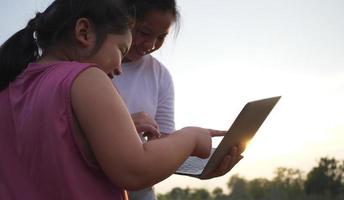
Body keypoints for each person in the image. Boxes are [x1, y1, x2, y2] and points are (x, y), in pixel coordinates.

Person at [0, 0, 228, 199]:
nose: (119, 68)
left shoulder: (8, 87)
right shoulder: (86, 77)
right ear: (84, 32)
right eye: (121, 49)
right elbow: (134, 170)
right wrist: (190, 138)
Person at [112, 0, 242, 199]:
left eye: (161, 37)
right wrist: (127, 123)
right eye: (144, 32)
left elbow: (163, 143)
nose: (150, 45)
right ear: (125, 20)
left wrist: (202, 164)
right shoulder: (91, 66)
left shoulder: (160, 75)